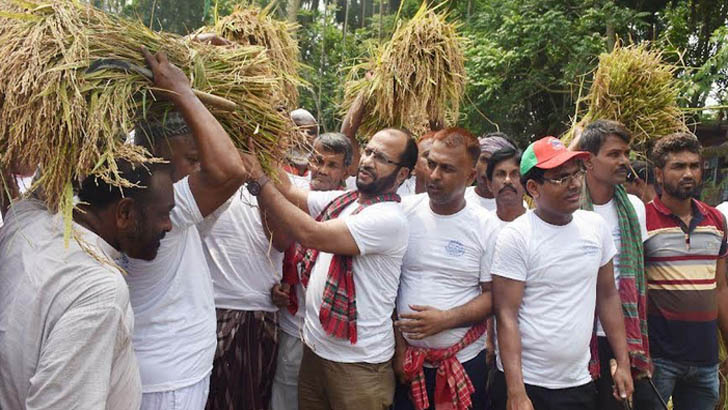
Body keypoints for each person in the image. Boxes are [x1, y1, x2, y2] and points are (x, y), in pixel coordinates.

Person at [239, 128, 417, 410]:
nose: (369, 161)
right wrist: (261, 148)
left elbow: (311, 234)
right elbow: (287, 191)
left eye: (382, 158)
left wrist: (260, 181)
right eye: (368, 151)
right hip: (315, 352)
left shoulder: (388, 219)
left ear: (402, 175)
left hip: (357, 367)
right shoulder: (346, 201)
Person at [124, 48, 246, 410]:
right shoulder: (161, 210)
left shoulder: (122, 201)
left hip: (152, 372)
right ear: (156, 154)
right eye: (192, 159)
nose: (200, 168)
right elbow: (229, 170)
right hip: (168, 383)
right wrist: (182, 90)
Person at [0, 156, 174, 409]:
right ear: (124, 213)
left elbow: (53, 165)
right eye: (164, 213)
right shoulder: (99, 287)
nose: (169, 226)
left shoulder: (24, 221)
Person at [490, 136, 633, 410]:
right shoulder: (516, 237)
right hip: (529, 383)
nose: (575, 183)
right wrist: (516, 392)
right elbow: (506, 314)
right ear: (533, 187)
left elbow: (607, 296)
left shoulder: (595, 228)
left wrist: (623, 363)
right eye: (560, 178)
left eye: (576, 173)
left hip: (578, 380)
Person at [392, 128, 500, 410]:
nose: (435, 175)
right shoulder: (401, 213)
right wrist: (399, 348)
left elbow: (494, 297)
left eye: (448, 168)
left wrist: (446, 320)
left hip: (463, 362)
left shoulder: (486, 227)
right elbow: (385, 285)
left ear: (470, 177)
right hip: (406, 364)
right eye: (431, 163)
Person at [638, 132, 728, 410]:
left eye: (694, 166)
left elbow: (721, 287)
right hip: (659, 358)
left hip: (705, 359)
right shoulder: (642, 220)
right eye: (678, 166)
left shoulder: (716, 220)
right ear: (659, 174)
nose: (688, 173)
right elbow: (634, 290)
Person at [270, 132, 354, 410]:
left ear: (346, 171)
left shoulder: (350, 205)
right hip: (293, 323)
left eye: (332, 165)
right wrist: (279, 283)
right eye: (318, 160)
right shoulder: (290, 188)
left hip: (330, 334)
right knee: (285, 393)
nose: (322, 170)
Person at [575, 120, 650, 410]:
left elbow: (640, 277)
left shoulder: (634, 208)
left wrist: (640, 344)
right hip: (580, 332)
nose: (624, 162)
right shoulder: (569, 210)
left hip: (622, 332)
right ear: (589, 162)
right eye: (614, 154)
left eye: (626, 154)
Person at [464, 132, 516, 212]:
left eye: (496, 163)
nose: (489, 169)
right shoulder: (457, 200)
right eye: (485, 160)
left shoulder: (517, 208)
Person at [286, 108, 320, 178]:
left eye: (310, 132)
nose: (304, 136)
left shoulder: (322, 175)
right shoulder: (271, 174)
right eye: (296, 130)